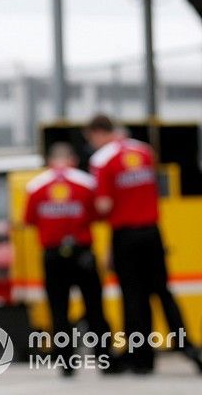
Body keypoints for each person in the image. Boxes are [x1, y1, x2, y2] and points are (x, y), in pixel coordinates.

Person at [87, 114, 202, 374]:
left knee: (134, 297)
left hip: (125, 236)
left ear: (96, 133)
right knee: (162, 291)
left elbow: (103, 205)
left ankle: (141, 357)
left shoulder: (102, 160)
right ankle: (188, 346)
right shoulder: (144, 151)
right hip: (152, 231)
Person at [23, 142, 117, 376]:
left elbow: (30, 219)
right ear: (73, 159)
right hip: (82, 253)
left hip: (53, 255)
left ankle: (66, 363)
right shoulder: (86, 182)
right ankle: (105, 359)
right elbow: (97, 215)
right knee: (95, 308)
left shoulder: (36, 185)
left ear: (49, 160)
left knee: (58, 309)